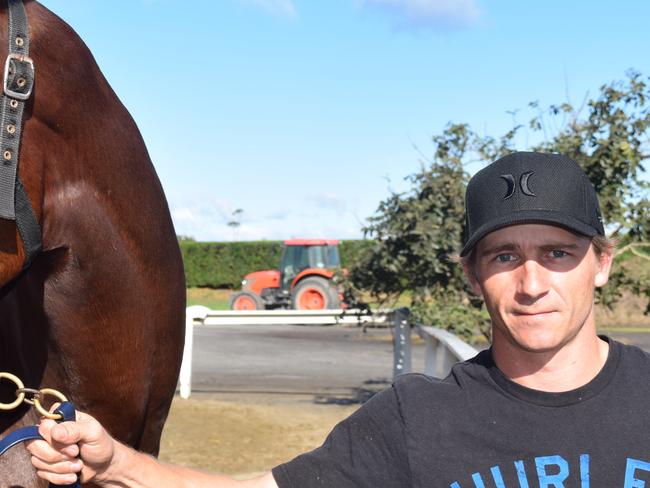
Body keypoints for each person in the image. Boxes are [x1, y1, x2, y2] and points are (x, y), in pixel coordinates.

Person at [27, 152, 650, 487]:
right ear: (471, 274)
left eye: (558, 254)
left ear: (601, 263)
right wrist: (119, 464)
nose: (533, 283)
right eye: (505, 256)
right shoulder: (417, 419)